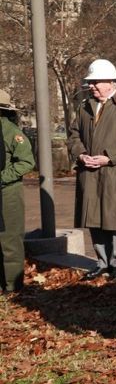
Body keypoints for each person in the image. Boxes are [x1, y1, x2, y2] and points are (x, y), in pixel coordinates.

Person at [68, 59, 116, 281]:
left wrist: (108, 158)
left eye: (96, 81)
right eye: (90, 82)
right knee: (93, 217)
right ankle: (102, 262)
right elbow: (73, 135)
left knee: (115, 218)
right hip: (89, 171)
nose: (91, 86)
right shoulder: (84, 107)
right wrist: (81, 154)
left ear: (111, 82)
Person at [0, 89, 34, 294]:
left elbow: (26, 162)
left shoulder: (11, 132)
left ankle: (12, 286)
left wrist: (3, 177)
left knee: (9, 239)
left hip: (7, 192)